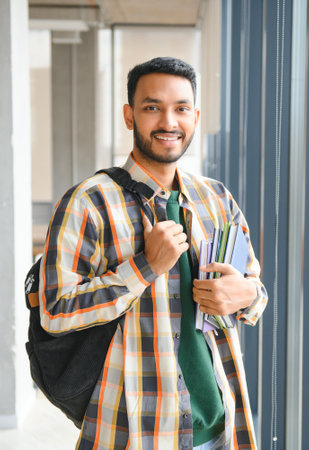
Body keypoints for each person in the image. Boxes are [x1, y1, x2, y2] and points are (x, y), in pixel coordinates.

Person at [39, 57, 268, 449]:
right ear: (129, 116)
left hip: (219, 428)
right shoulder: (89, 202)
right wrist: (145, 267)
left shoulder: (217, 198)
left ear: (195, 116)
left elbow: (252, 288)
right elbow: (55, 311)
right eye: (152, 107)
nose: (168, 122)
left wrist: (248, 295)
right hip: (135, 433)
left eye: (180, 109)